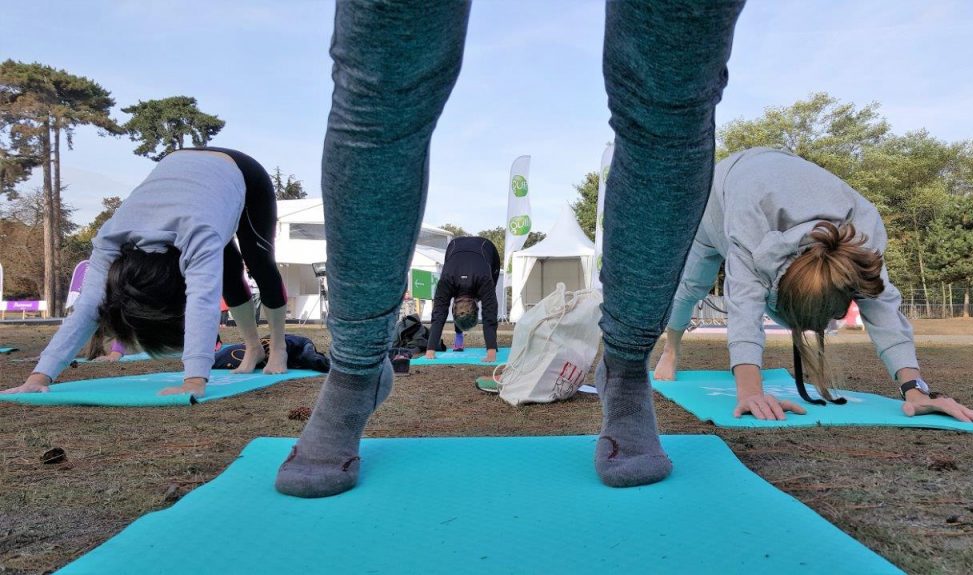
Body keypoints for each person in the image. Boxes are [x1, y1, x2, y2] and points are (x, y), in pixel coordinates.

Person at [274, 0, 746, 498]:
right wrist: (432, 344)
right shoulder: (451, 289)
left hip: (483, 259)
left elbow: (492, 304)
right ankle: (354, 371)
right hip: (457, 258)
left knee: (671, 93)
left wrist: (488, 346)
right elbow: (439, 307)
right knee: (381, 78)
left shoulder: (479, 281)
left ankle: (625, 367)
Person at [652, 147, 973, 424]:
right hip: (719, 194)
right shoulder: (751, 230)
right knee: (690, 286)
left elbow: (884, 312)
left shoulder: (861, 241)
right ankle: (671, 348)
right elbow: (744, 307)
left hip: (779, 179)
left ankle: (673, 347)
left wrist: (915, 389)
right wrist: (750, 390)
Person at [2, 147, 289, 399]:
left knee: (259, 261)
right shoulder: (111, 237)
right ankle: (254, 348)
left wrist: (194, 379)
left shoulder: (197, 233)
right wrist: (39, 376)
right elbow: (89, 306)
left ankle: (277, 346)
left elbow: (203, 301)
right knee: (229, 273)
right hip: (191, 184)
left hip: (240, 172)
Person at [424, 236, 500, 361]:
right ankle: (470, 339)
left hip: (480, 248)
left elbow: (439, 313)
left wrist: (430, 350)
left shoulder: (448, 281)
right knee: (488, 301)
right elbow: (489, 314)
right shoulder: (447, 281)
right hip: (462, 246)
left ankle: (489, 343)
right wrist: (430, 349)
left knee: (488, 300)